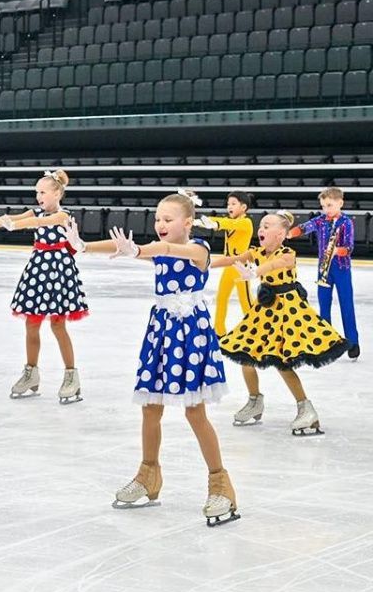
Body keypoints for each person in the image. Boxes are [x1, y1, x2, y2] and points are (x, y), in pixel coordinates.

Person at [66, 190, 238, 527]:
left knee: (194, 410)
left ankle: (221, 484)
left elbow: (168, 250)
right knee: (151, 407)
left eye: (167, 219)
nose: (160, 224)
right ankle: (148, 475)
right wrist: (84, 246)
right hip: (161, 332)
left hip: (190, 334)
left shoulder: (198, 250)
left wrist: (140, 250)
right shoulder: (160, 250)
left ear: (187, 222)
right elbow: (127, 249)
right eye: (157, 219)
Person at [216, 211, 348, 435]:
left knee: (283, 362)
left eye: (267, 226)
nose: (261, 230)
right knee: (245, 354)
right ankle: (255, 400)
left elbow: (276, 264)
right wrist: (200, 262)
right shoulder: (256, 251)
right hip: (264, 312)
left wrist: (256, 271)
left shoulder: (288, 253)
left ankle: (306, 409)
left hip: (287, 312)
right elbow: (230, 260)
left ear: (281, 234)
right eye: (261, 226)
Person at [0, 169, 88, 404]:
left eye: (43, 192)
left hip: (59, 270)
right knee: (31, 323)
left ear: (57, 194)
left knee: (58, 325)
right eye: (37, 192)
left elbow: (35, 222)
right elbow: (13, 217)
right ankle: (31, 373)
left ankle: (71, 376)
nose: (38, 196)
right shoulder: (35, 211)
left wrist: (15, 226)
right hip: (38, 269)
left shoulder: (63, 215)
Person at [289, 187, 360, 359]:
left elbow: (349, 247)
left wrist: (337, 250)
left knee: (346, 305)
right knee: (324, 306)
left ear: (340, 203)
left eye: (329, 205)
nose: (326, 209)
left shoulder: (346, 222)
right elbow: (304, 227)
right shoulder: (320, 220)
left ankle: (352, 341)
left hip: (341, 269)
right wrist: (289, 233)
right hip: (323, 270)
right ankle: (326, 341)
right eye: (323, 206)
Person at [193, 191, 254, 336]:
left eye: (233, 204)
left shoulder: (246, 222)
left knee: (246, 302)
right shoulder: (231, 221)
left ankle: (257, 329)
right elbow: (224, 221)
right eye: (228, 204)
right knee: (221, 298)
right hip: (229, 266)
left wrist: (214, 223)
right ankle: (219, 331)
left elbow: (228, 223)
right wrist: (204, 221)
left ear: (243, 207)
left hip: (241, 267)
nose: (229, 207)